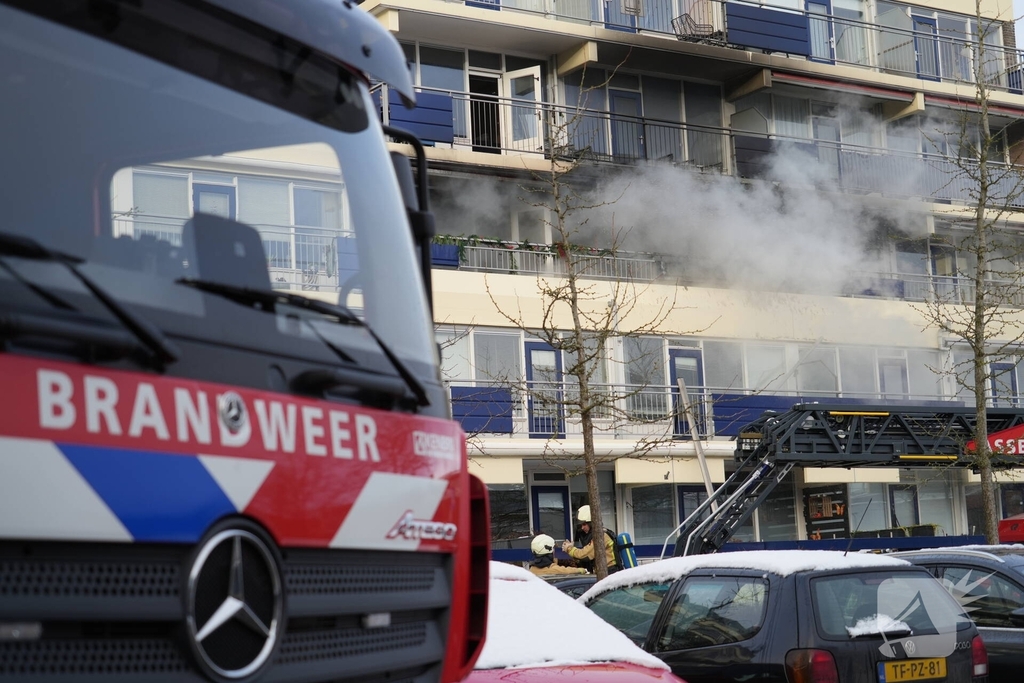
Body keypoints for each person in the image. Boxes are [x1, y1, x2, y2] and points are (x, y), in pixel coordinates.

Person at [561, 505, 619, 574]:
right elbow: (585, 560)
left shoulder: (601, 536)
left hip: (609, 571)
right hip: (602, 571)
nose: (582, 528)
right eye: (581, 525)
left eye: (584, 524)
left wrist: (569, 548)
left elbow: (585, 554)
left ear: (592, 523)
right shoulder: (594, 535)